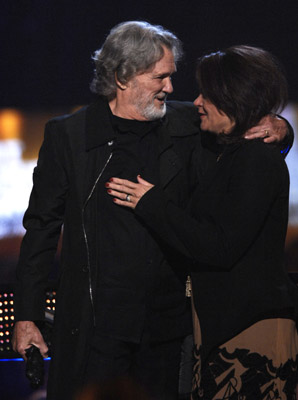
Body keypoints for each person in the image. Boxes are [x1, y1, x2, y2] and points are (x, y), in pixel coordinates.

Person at [11, 21, 292, 400]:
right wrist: (27, 316)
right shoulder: (70, 137)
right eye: (161, 77)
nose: (172, 88)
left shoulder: (187, 124)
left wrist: (281, 127)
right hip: (97, 329)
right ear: (123, 77)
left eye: (172, 77)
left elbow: (242, 131)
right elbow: (42, 228)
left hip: (168, 329)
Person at [105, 45, 298, 399]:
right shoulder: (228, 153)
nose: (195, 101)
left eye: (207, 94)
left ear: (232, 97)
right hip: (223, 330)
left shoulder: (255, 159)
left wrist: (151, 204)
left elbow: (220, 246)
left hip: (249, 333)